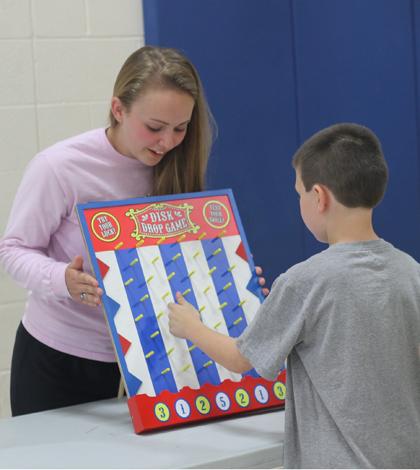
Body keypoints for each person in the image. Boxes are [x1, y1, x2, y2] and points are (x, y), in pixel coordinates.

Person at [0, 45, 267, 417]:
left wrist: (233, 280)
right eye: (154, 127)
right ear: (118, 109)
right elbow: (12, 250)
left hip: (151, 361)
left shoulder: (177, 166)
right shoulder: (59, 167)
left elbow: (182, 261)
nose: (167, 142)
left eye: (181, 128)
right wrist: (63, 278)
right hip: (59, 357)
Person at [168, 123, 420, 469]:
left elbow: (241, 359)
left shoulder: (305, 281)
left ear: (319, 197)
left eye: (299, 192)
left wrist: (190, 326)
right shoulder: (411, 271)